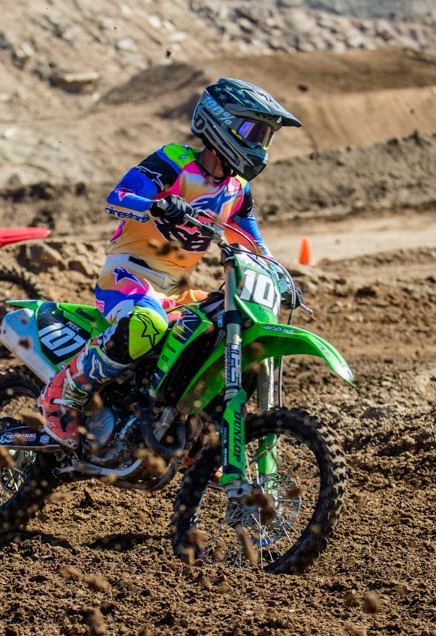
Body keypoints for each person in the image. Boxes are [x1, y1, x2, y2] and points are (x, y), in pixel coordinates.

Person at [38, 77, 301, 446]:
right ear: (220, 123)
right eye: (253, 132)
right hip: (128, 274)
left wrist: (279, 276)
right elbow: (117, 197)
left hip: (176, 289)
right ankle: (66, 391)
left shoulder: (238, 189)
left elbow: (253, 242)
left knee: (228, 328)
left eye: (266, 137)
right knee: (147, 323)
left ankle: (198, 435)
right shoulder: (175, 162)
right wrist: (157, 205)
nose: (259, 146)